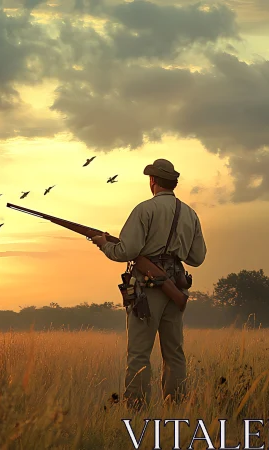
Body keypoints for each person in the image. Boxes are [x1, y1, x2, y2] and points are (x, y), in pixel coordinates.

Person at [90, 158, 206, 408]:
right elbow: (197, 257)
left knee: (139, 354)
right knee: (174, 354)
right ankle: (176, 409)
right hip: (175, 287)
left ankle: (136, 411)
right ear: (172, 183)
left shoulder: (144, 209)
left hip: (146, 288)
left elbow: (126, 251)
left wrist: (104, 245)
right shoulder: (190, 213)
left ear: (152, 181)